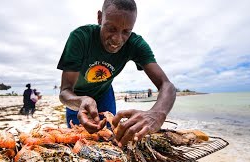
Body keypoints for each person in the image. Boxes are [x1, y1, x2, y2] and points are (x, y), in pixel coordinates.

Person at [57, 0, 176, 147]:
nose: (117, 39)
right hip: (77, 96)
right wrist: (80, 101)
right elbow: (65, 92)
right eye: (111, 28)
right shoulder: (81, 38)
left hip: (105, 93)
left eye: (126, 32)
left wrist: (157, 113)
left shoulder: (135, 44)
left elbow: (166, 85)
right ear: (100, 18)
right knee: (79, 141)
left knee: (109, 139)